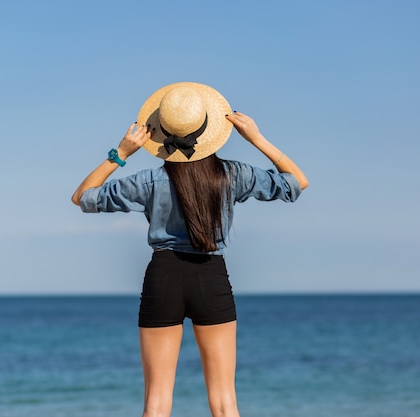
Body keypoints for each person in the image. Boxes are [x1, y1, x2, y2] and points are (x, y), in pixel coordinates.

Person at [71, 82, 308, 417]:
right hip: (211, 277)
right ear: (209, 128)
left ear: (159, 134)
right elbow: (297, 182)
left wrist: (121, 153)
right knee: (225, 402)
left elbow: (83, 197)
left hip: (163, 278)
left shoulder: (148, 181)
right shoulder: (232, 174)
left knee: (156, 402)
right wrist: (256, 139)